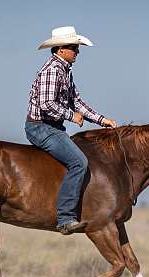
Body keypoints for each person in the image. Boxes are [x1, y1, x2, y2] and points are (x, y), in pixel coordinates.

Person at [25, 26, 117, 235]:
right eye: (74, 47)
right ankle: (65, 218)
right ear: (60, 49)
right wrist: (71, 116)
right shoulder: (52, 71)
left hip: (53, 127)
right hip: (40, 128)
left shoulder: (65, 71)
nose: (78, 51)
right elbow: (46, 103)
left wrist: (102, 120)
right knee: (79, 162)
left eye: (76, 47)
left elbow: (77, 101)